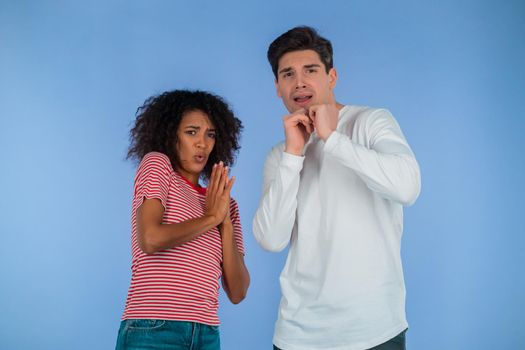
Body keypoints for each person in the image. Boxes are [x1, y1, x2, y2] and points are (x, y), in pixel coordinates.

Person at [253, 26, 421, 350]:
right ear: (277, 87)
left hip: (374, 331)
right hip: (297, 336)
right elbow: (271, 239)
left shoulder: (371, 122)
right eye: (288, 74)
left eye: (310, 70)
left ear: (332, 77)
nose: (299, 82)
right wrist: (292, 156)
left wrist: (333, 139)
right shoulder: (280, 154)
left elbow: (407, 187)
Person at [116, 90, 250, 350]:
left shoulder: (225, 205)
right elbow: (151, 239)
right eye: (191, 132)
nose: (202, 143)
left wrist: (224, 223)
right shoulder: (158, 166)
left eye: (210, 134)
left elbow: (238, 291)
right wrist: (211, 217)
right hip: (154, 329)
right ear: (170, 134)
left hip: (207, 333)